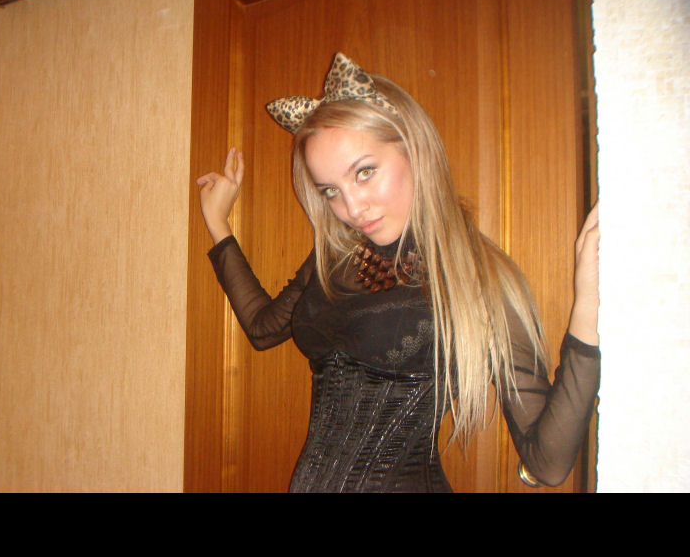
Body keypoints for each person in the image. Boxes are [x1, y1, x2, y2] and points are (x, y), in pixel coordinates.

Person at [197, 52, 600, 493]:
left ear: (413, 149)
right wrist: (218, 224)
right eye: (331, 190)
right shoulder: (337, 259)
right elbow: (263, 329)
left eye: (365, 172)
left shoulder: (475, 276)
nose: (352, 208)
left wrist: (588, 306)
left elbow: (548, 463)